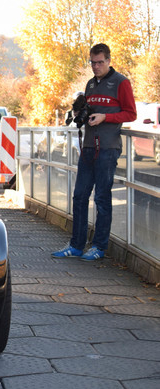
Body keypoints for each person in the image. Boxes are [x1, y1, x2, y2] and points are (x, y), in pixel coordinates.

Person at [52, 43, 136, 261]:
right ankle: (76, 245)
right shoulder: (90, 84)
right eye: (93, 62)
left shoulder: (121, 83)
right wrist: (79, 112)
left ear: (108, 61)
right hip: (88, 146)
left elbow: (131, 114)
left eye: (100, 62)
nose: (96, 66)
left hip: (108, 148)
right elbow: (89, 110)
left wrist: (105, 117)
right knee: (79, 196)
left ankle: (99, 247)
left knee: (101, 198)